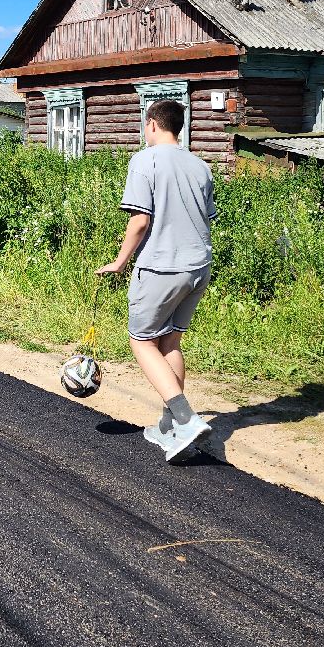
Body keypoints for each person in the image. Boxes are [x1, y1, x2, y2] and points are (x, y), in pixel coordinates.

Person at [96, 98, 216, 462]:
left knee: (141, 342)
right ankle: (169, 428)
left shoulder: (144, 161)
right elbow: (204, 218)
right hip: (198, 267)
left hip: (161, 267)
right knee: (170, 343)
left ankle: (186, 419)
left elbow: (140, 221)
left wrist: (119, 262)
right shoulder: (201, 166)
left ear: (151, 124)